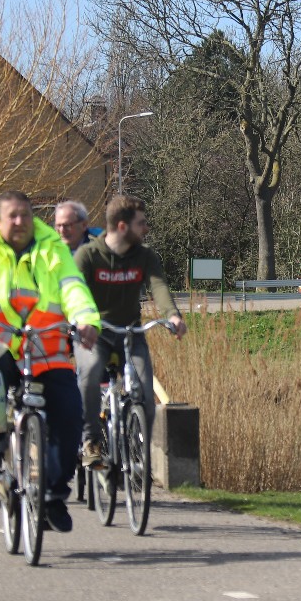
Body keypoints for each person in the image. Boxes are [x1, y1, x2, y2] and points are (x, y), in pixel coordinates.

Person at [0, 191, 101, 533]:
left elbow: (73, 286)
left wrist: (86, 318)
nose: (20, 222)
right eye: (12, 216)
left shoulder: (52, 247)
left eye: (26, 215)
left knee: (70, 415)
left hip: (46, 350)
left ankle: (53, 496)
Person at [73, 195, 186, 468]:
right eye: (141, 223)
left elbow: (158, 286)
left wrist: (172, 314)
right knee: (90, 374)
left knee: (145, 394)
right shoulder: (88, 255)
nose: (146, 228)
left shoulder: (144, 256)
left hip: (131, 334)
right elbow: (74, 292)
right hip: (95, 334)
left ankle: (135, 451)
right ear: (123, 226)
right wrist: (81, 320)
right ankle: (91, 440)